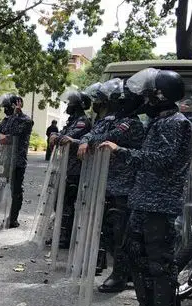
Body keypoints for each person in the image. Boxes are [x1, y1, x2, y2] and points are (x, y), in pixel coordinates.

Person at [100, 68, 192, 306]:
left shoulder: (176, 123)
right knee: (135, 252)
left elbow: (162, 160)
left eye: (149, 96)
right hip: (143, 199)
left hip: (160, 203)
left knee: (159, 260)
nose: (145, 101)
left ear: (161, 96)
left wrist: (123, 151)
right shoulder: (160, 121)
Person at [78, 78, 145, 293]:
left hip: (125, 186)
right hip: (110, 183)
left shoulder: (131, 123)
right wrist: (85, 140)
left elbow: (109, 136)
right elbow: (92, 132)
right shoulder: (113, 119)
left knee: (121, 232)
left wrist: (89, 140)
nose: (109, 104)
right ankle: (119, 271)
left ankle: (121, 275)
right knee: (111, 229)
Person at [49, 91, 92, 249]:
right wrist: (55, 134)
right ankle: (59, 233)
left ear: (77, 106)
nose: (67, 106)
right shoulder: (72, 120)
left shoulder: (82, 121)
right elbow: (62, 134)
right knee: (58, 202)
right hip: (65, 167)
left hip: (75, 169)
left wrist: (57, 137)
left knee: (68, 203)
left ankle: (66, 237)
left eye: (70, 103)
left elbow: (69, 137)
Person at [0, 94, 34, 228]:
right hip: (4, 160)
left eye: (7, 107)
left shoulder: (26, 120)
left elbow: (15, 132)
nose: (5, 110)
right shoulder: (5, 120)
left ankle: (12, 219)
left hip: (17, 162)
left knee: (16, 191)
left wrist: (17, 114)